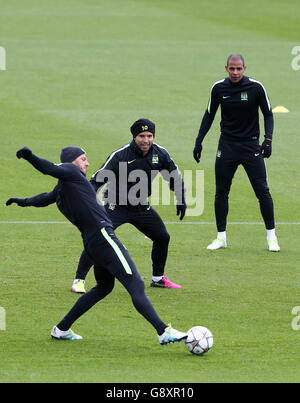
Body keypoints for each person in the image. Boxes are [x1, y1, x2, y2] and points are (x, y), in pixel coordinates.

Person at [6, 146, 187, 344]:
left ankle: (62, 329)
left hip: (92, 243)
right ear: (71, 162)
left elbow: (44, 198)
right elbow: (49, 168)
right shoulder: (71, 171)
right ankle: (163, 332)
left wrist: (22, 202)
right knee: (136, 284)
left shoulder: (63, 188)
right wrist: (30, 156)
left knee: (104, 287)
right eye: (83, 159)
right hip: (103, 237)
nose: (87, 163)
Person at [71, 118, 186, 294]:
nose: (146, 140)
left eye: (149, 136)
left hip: (140, 206)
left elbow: (174, 177)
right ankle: (79, 280)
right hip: (115, 206)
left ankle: (158, 278)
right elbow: (97, 179)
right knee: (98, 238)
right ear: (134, 137)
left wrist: (181, 198)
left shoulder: (160, 154)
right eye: (141, 136)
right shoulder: (120, 155)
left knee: (162, 237)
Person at [193, 54, 280, 252]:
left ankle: (272, 237)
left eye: (238, 69)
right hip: (227, 146)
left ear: (244, 68)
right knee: (221, 192)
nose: (235, 72)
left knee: (262, 191)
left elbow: (268, 113)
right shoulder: (218, 88)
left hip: (251, 146)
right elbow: (209, 115)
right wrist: (199, 141)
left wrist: (268, 139)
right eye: (231, 69)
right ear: (226, 68)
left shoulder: (256, 87)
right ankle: (221, 237)